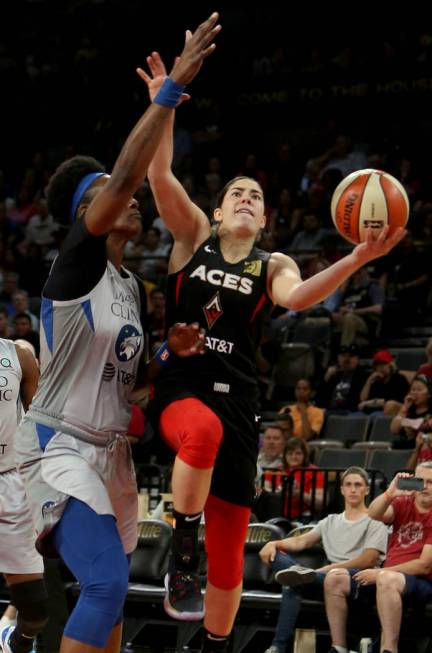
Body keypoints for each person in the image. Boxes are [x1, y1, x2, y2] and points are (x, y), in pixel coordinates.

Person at [140, 50, 404, 653]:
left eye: (255, 197)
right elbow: (159, 177)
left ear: (263, 220)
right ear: (216, 208)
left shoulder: (272, 264)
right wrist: (165, 106)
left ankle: (213, 641)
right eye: (236, 192)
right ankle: (183, 543)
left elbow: (303, 298)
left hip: (241, 407)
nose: (245, 199)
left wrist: (358, 257)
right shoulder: (192, 238)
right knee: (199, 435)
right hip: (183, 392)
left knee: (231, 551)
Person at [13, 14, 221, 653]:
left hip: (111, 453)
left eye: (122, 191)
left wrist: (168, 352)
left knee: (113, 594)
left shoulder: (132, 287)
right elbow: (133, 175)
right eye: (110, 192)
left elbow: (132, 385)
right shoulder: (74, 263)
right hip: (58, 446)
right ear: (86, 212)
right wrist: (167, 97)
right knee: (103, 583)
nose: (129, 199)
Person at [259, 467, 387, 653]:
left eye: (358, 485)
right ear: (342, 489)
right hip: (325, 580)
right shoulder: (330, 521)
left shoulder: (375, 520)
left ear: (366, 490)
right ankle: (277, 646)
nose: (353, 489)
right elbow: (301, 541)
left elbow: (369, 559)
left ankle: (278, 645)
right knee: (290, 575)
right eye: (348, 485)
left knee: (293, 581)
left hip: (356, 580)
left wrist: (331, 568)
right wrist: (275, 543)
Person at [324, 464, 432, 653]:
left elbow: (424, 566)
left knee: (385, 579)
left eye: (431, 482)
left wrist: (381, 572)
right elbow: (374, 513)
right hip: (387, 575)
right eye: (421, 481)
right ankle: (339, 647)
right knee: (334, 577)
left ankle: (389, 649)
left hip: (420, 583)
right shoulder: (403, 502)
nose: (425, 486)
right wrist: (390, 494)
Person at [0, 337, 48, 653]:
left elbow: (43, 422)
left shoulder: (17, 355)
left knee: (35, 611)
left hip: (10, 482)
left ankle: (14, 641)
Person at [317, 344, 368, 414]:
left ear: (357, 359)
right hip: (330, 411)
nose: (347, 359)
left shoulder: (363, 376)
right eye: (343, 356)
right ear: (338, 358)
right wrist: (326, 379)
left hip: (349, 412)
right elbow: (319, 400)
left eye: (351, 356)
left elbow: (360, 401)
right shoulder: (332, 374)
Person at [358, 350, 409, 414]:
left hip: (389, 411)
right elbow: (363, 399)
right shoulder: (376, 380)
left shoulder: (399, 379)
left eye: (383, 365)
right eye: (377, 365)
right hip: (370, 411)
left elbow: (390, 401)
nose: (380, 368)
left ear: (390, 365)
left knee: (375, 415)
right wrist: (368, 381)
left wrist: (368, 403)